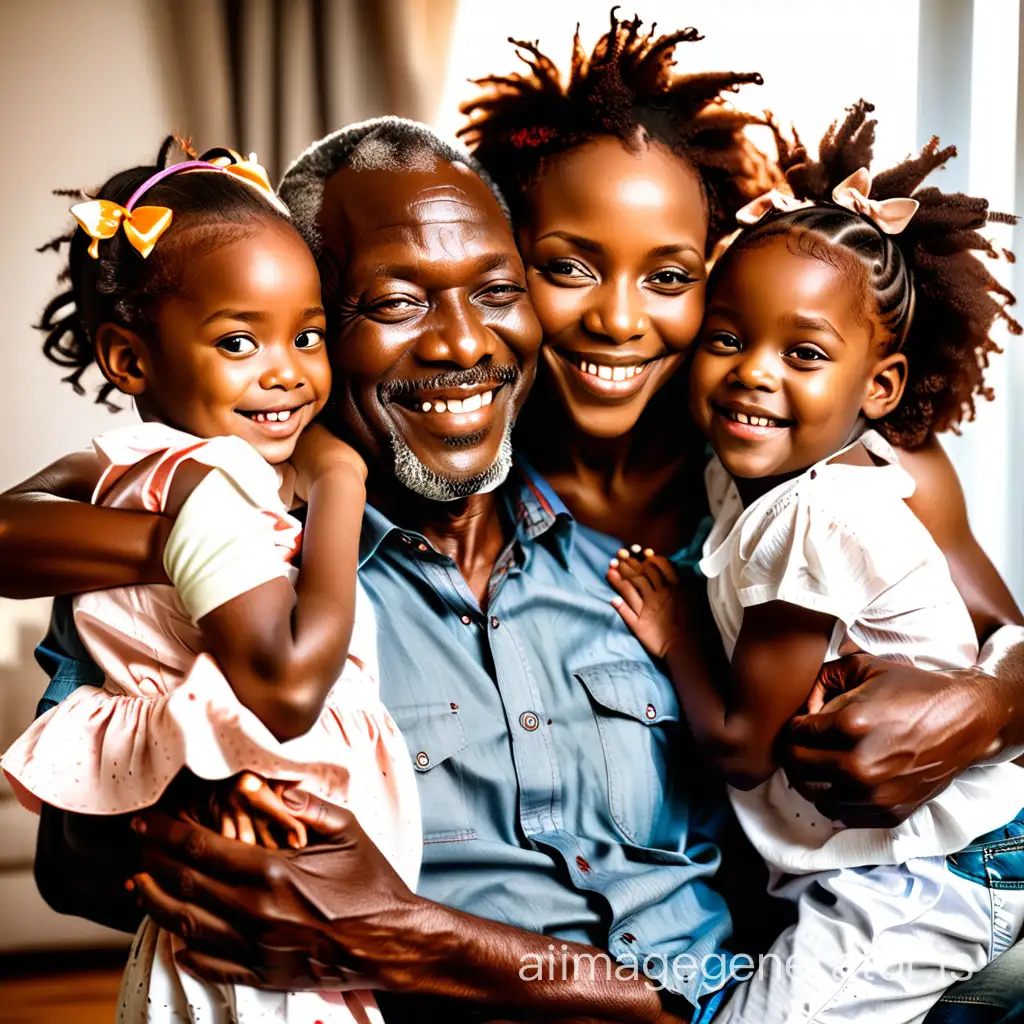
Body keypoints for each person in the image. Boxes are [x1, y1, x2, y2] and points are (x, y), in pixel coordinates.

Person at [2, 115, 1023, 1022]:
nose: (463, 343)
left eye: (495, 290)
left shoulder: (734, 496)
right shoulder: (247, 577)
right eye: (395, 300)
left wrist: (984, 705)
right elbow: (89, 841)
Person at [457, 12, 1024, 836]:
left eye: (670, 275)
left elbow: (1009, 638)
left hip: (878, 891)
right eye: (569, 268)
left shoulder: (814, 452)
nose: (617, 320)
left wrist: (975, 710)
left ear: (716, 275)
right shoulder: (460, 468)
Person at [608, 102, 1024, 1024]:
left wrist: (677, 630)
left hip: (932, 866)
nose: (754, 372)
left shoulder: (821, 509)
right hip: (879, 864)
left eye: (802, 352)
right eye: (728, 338)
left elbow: (744, 747)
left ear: (879, 387)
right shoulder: (739, 464)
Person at [0, 141, 420, 1024]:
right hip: (256, 913)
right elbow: (291, 685)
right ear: (130, 361)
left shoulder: (166, 474)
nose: (287, 370)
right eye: (239, 340)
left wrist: (172, 548)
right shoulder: (207, 481)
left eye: (307, 336)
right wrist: (340, 484)